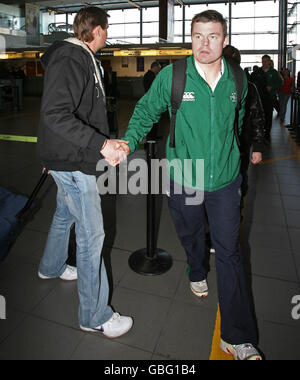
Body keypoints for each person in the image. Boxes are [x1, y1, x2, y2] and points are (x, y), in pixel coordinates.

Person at [114, 10, 262, 361]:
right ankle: (196, 267)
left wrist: (239, 161)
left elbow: (237, 124)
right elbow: (147, 110)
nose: (204, 43)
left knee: (230, 254)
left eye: (212, 36)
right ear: (191, 38)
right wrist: (128, 141)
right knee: (191, 234)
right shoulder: (174, 76)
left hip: (226, 182)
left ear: (224, 41)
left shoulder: (238, 81)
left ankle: (237, 337)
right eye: (198, 35)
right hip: (185, 176)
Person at [37, 6, 133, 338]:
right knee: (92, 237)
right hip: (75, 162)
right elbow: (55, 113)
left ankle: (50, 266)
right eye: (106, 28)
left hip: (66, 156)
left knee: (65, 214)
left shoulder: (78, 57)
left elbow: (73, 112)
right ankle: (94, 315)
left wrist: (105, 139)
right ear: (97, 30)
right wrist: (101, 145)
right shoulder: (71, 58)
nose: (107, 34)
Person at [223, 45, 265, 198]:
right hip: (240, 143)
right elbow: (258, 118)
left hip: (238, 143)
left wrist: (258, 146)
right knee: (238, 176)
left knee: (237, 176)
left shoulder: (248, 87)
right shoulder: (248, 85)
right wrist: (258, 146)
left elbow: (257, 116)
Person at [251, 55, 282, 143]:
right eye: (263, 61)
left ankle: (267, 134)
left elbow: (280, 83)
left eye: (266, 61)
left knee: (268, 117)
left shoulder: (274, 72)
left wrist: (272, 87)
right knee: (259, 117)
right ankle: (260, 134)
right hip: (259, 98)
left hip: (269, 98)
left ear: (269, 61)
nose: (264, 63)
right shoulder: (258, 72)